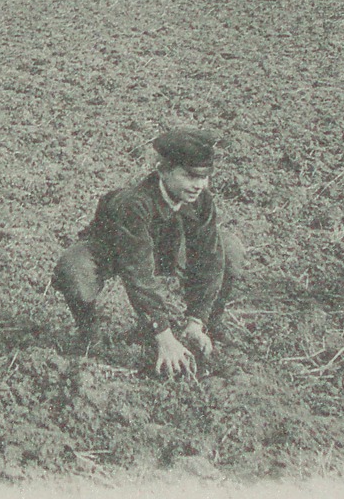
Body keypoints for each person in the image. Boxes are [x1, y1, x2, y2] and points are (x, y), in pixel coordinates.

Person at [52, 129, 243, 376]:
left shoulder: (200, 199)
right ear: (163, 170)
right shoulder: (134, 204)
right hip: (117, 252)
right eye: (189, 175)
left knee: (229, 248)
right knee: (75, 268)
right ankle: (88, 333)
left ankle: (209, 327)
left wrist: (197, 320)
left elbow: (208, 257)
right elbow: (137, 272)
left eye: (204, 177)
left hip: (168, 250)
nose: (198, 185)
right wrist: (163, 336)